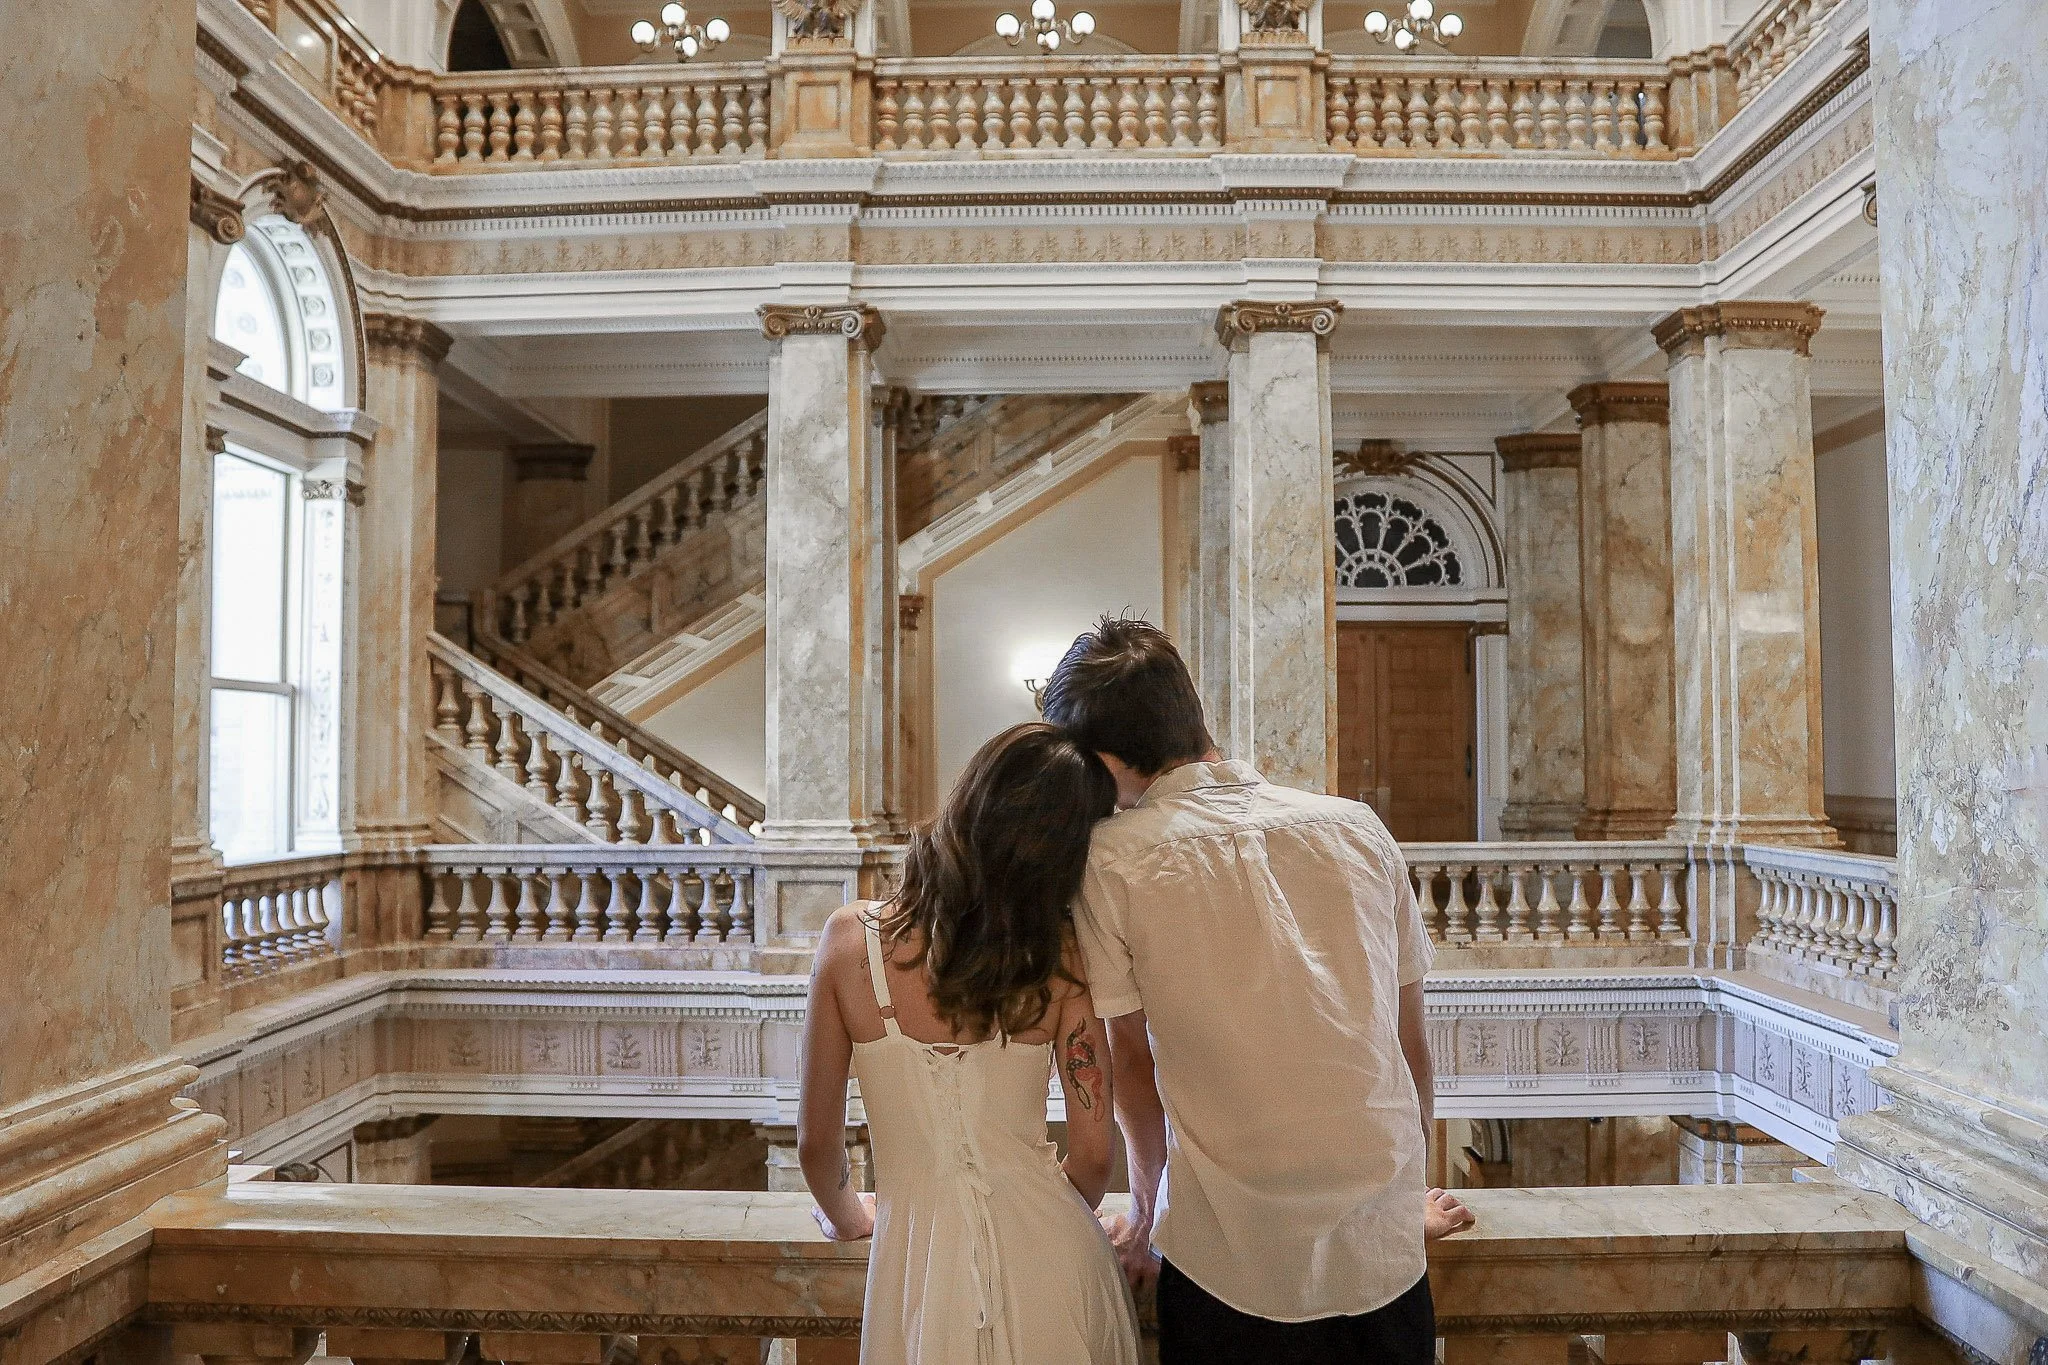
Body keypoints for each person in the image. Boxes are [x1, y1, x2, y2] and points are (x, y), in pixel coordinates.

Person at [1040, 616, 1475, 1365]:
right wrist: (1401, 1206)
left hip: (1228, 1259)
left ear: (1103, 760)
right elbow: (1409, 1048)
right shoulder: (1359, 827)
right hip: (1379, 1255)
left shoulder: (1110, 861)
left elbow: (1133, 1070)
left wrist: (1144, 1217)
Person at [797, 722, 1142, 1365]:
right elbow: (1094, 1158)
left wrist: (847, 1216)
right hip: (1058, 1267)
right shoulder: (1064, 958)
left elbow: (816, 1144)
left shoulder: (850, 943)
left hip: (920, 1271)